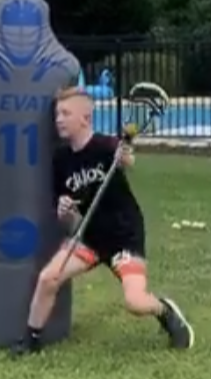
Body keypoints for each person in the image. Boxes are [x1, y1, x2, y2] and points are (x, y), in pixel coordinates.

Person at [10, 86, 195, 356]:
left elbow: (126, 158)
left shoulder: (105, 146)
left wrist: (123, 157)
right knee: (48, 277)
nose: (59, 119)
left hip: (123, 236)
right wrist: (63, 207)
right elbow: (63, 208)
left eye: (65, 113)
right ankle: (30, 340)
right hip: (91, 236)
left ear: (85, 117)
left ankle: (165, 311)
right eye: (57, 114)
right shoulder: (60, 159)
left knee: (135, 302)